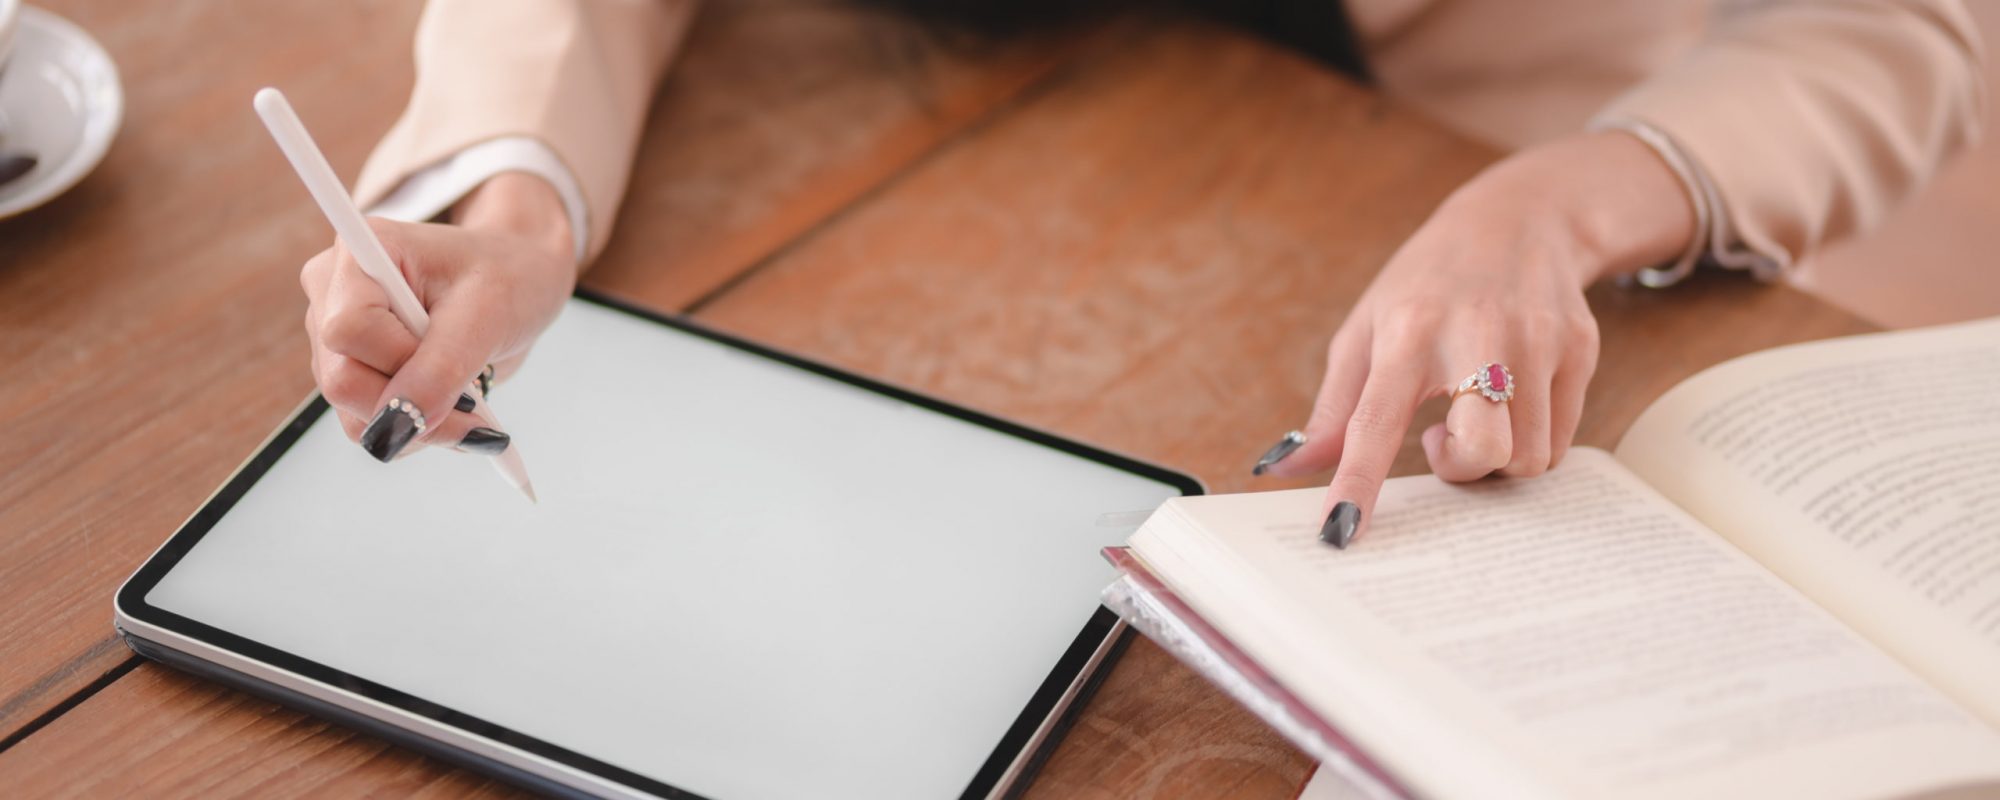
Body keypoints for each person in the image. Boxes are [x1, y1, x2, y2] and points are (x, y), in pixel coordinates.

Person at [298, 0, 1984, 546]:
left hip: (1413, 153)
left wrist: (1565, 203)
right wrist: (513, 192)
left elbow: (1902, 27)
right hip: (870, 137)